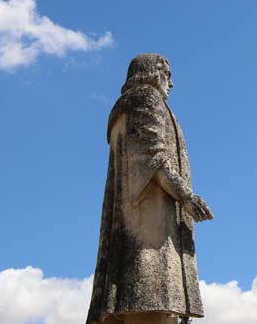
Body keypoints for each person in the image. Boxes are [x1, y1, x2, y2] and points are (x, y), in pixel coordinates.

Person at [87, 53, 213, 324]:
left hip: (130, 227)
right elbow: (153, 157)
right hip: (149, 233)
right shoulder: (146, 98)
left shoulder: (127, 106)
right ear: (152, 73)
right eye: (167, 74)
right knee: (150, 300)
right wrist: (186, 196)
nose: (171, 83)